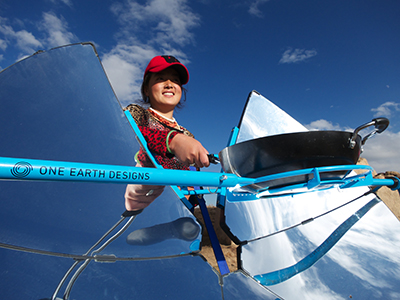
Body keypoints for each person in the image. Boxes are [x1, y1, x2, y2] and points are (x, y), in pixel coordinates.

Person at [124, 55, 210, 212]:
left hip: (177, 210)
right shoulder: (136, 114)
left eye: (175, 80)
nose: (169, 84)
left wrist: (194, 191)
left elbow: (190, 176)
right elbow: (132, 134)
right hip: (142, 207)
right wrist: (172, 141)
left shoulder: (187, 135)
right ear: (146, 89)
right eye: (161, 78)